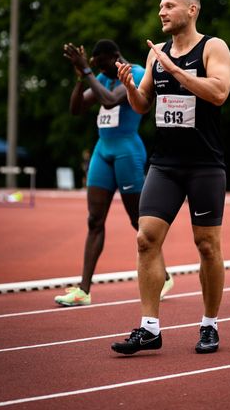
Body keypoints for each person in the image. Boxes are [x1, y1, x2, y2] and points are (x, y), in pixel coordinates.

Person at [111, 0, 230, 355]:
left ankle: (209, 325)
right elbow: (144, 105)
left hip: (204, 164)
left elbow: (219, 92)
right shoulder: (155, 53)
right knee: (145, 238)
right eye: (160, 6)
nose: (161, 12)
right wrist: (131, 88)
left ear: (191, 10)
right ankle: (150, 328)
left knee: (207, 246)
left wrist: (176, 70)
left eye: (168, 6)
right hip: (164, 163)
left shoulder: (213, 47)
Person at [54, 39, 173, 307]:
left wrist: (87, 72)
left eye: (103, 67)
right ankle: (83, 289)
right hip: (102, 151)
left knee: (139, 223)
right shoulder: (101, 76)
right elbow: (76, 109)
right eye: (97, 69)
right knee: (94, 220)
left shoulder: (137, 73)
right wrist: (79, 78)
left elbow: (108, 101)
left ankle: (163, 275)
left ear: (116, 57)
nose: (102, 73)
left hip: (127, 152)